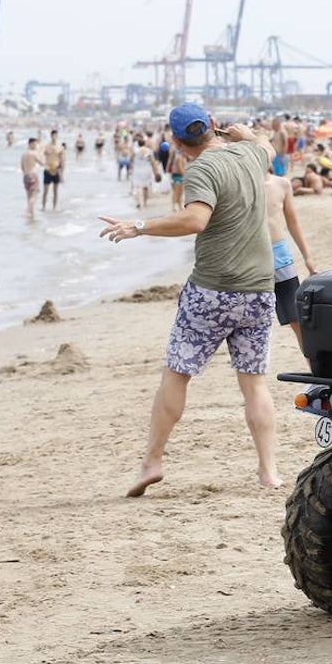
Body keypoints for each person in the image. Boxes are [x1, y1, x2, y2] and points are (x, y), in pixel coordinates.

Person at [98, 104, 282, 497]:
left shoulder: (201, 169)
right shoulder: (250, 154)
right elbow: (268, 147)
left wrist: (139, 226)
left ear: (178, 142)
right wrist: (244, 133)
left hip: (213, 290)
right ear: (214, 126)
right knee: (253, 382)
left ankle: (153, 460)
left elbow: (195, 219)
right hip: (258, 289)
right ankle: (269, 470)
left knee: (177, 373)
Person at [266, 172, 317, 347]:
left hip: (280, 255)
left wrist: (307, 256)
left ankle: (313, 367)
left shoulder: (281, 184)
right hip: (250, 257)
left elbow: (293, 222)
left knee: (296, 317)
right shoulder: (240, 182)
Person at [130, 135, 160, 209]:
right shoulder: (149, 151)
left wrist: (131, 169)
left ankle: (140, 202)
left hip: (138, 170)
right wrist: (156, 172)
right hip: (147, 170)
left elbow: (131, 160)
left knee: (139, 187)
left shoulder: (135, 151)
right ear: (144, 143)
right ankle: (145, 202)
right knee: (146, 186)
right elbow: (153, 162)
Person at [20, 138, 42, 221]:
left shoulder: (24, 154)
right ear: (31, 144)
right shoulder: (33, 153)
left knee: (29, 196)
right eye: (35, 144)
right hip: (33, 175)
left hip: (25, 176)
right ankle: (28, 211)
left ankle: (31, 215)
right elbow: (42, 163)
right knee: (34, 196)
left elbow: (22, 167)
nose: (36, 145)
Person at [42, 129, 65, 211]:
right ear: (51, 136)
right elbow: (41, 157)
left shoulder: (60, 147)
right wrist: (44, 165)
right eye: (53, 135)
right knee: (45, 191)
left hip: (56, 170)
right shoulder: (46, 146)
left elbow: (62, 160)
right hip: (48, 170)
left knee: (55, 191)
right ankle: (43, 207)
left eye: (56, 135)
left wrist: (62, 174)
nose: (54, 137)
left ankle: (54, 208)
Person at [167, 143, 189, 212]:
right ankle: (174, 206)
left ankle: (179, 206)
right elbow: (181, 170)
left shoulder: (183, 157)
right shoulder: (179, 158)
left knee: (180, 192)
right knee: (177, 192)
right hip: (178, 176)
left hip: (179, 176)